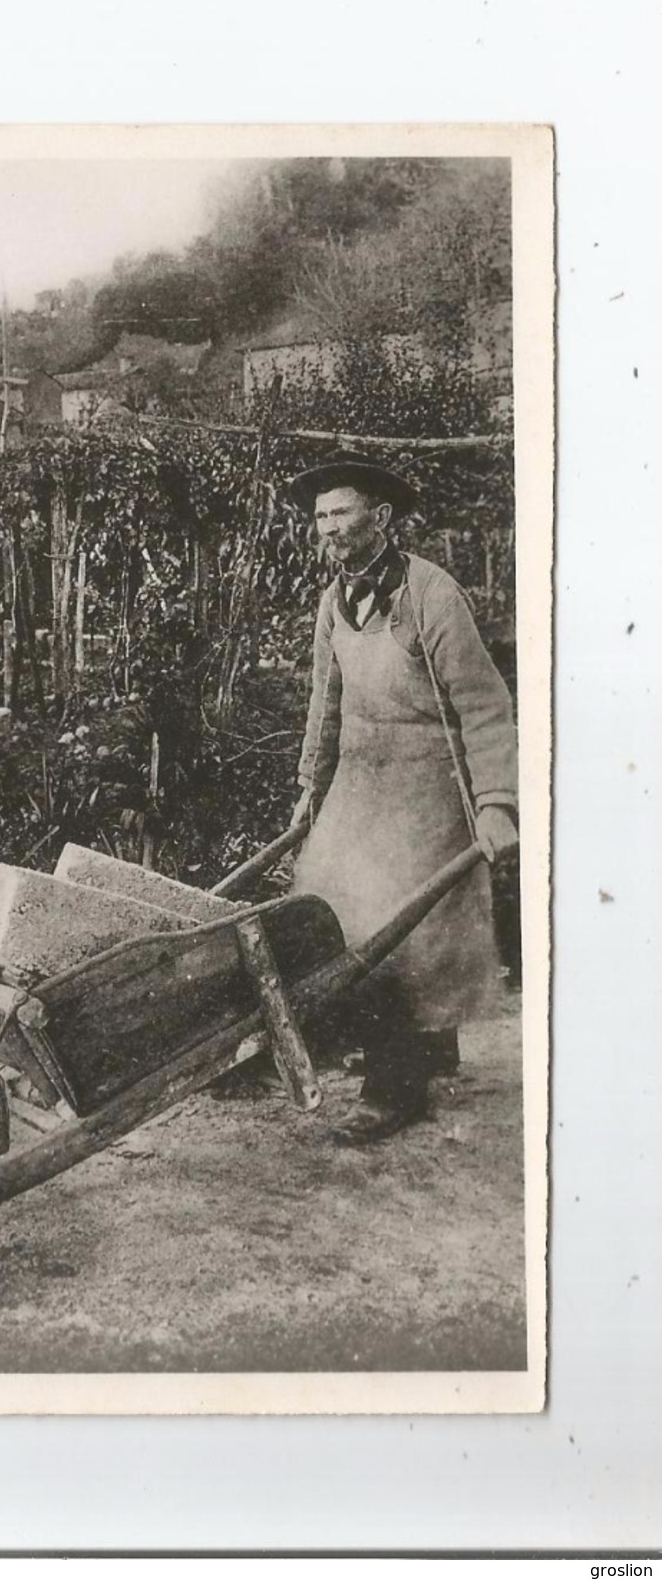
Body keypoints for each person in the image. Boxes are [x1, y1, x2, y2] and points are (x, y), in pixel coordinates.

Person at [287, 458, 519, 1144]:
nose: (327, 528)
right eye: (320, 516)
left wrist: (497, 803)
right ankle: (425, 1049)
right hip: (359, 779)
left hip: (422, 785)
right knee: (323, 905)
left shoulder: (429, 595)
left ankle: (393, 1087)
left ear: (379, 518)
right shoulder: (334, 599)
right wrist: (308, 787)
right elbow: (323, 704)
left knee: (395, 933)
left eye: (341, 514)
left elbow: (483, 706)